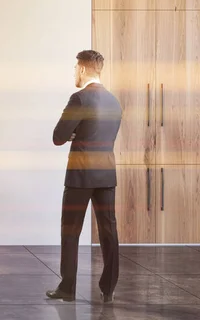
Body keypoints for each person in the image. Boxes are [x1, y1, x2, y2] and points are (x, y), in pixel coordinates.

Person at [46, 50, 122, 303]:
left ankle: (67, 288)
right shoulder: (114, 101)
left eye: (74, 69)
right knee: (108, 231)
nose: (73, 73)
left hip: (80, 176)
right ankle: (108, 290)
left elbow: (58, 136)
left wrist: (73, 132)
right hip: (106, 174)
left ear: (81, 69)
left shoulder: (79, 99)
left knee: (71, 231)